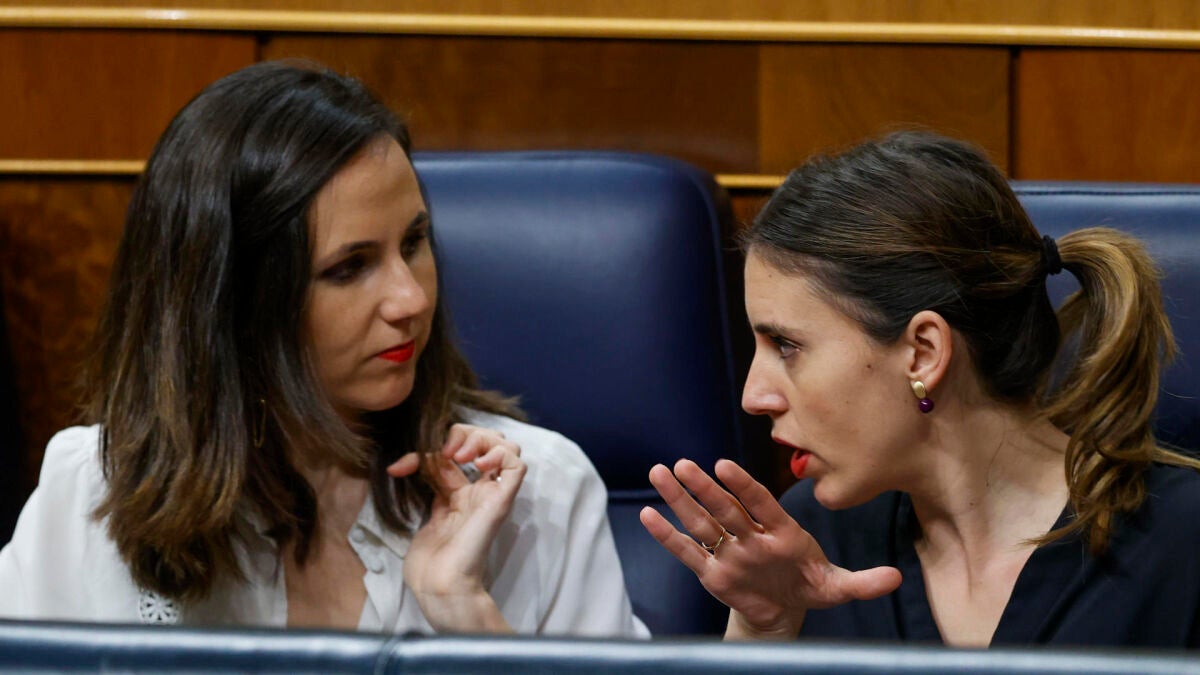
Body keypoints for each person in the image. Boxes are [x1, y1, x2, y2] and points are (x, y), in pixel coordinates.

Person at [0, 60, 646, 638]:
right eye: (349, 267)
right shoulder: (88, 488)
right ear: (233, 305)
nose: (410, 299)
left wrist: (467, 614)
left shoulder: (541, 494)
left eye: (414, 243)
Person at [641, 131, 1200, 648]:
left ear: (924, 353)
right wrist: (762, 631)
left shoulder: (1184, 543)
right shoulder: (807, 540)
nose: (753, 396)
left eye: (786, 345)